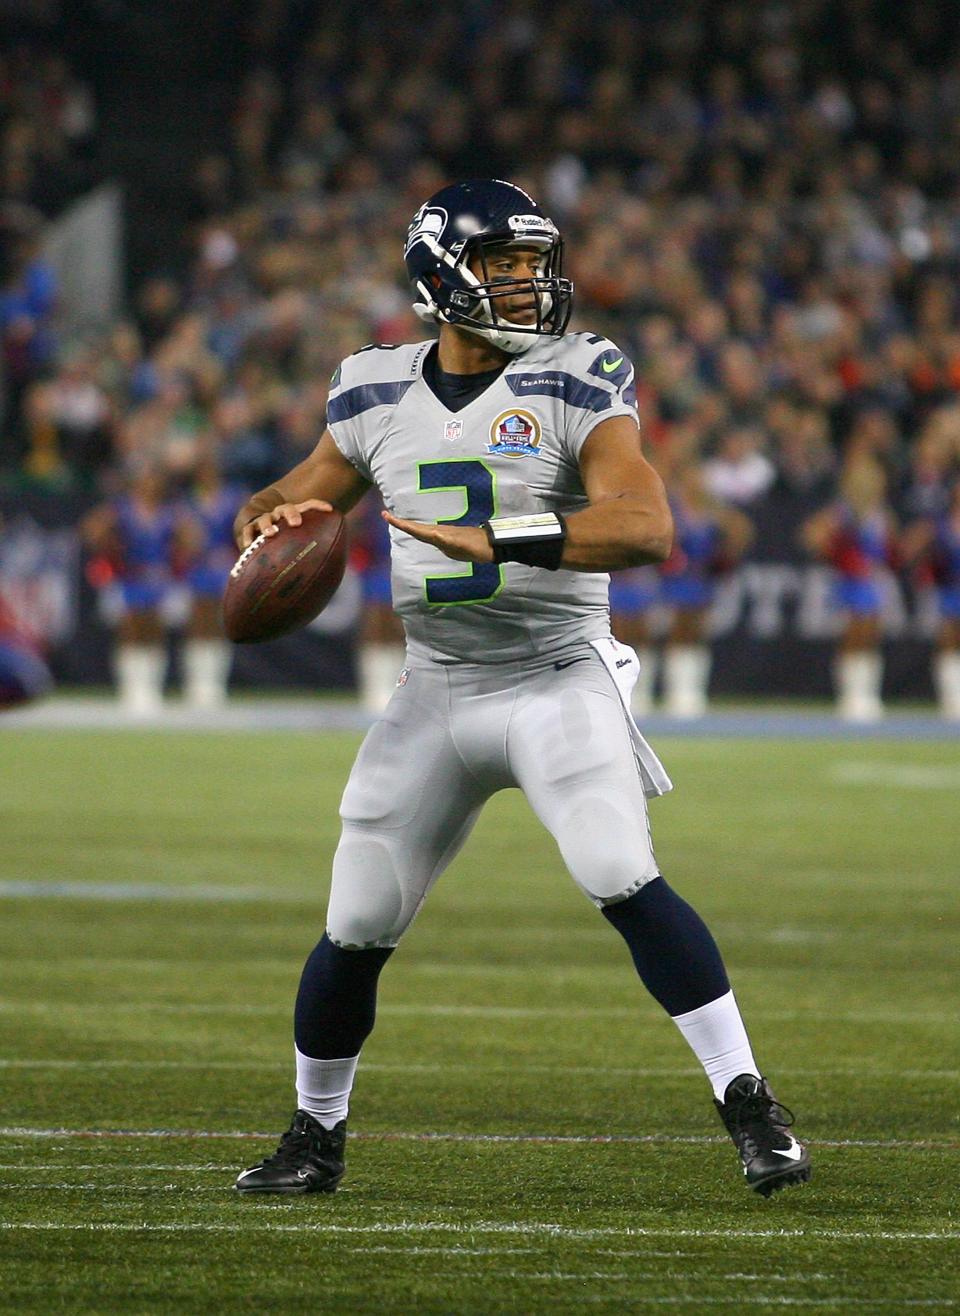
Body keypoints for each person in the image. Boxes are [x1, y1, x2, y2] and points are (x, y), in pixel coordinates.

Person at [232, 180, 811, 1199]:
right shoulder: (371, 387)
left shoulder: (574, 372)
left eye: (532, 261)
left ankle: (751, 1104)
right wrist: (268, 513)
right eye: (503, 262)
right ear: (440, 272)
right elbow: (305, 486)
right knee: (356, 917)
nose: (529, 282)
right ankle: (313, 1136)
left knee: (617, 867)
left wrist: (502, 535)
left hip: (555, 675)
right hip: (436, 688)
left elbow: (645, 523)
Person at [802, 455, 897, 722]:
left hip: (874, 580)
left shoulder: (880, 514)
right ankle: (850, 694)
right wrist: (834, 551)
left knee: (871, 634)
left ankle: (869, 694)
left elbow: (888, 548)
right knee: (853, 635)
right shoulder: (842, 512)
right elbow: (811, 535)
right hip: (850, 582)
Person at [659, 462, 754, 718]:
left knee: (697, 633)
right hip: (679, 579)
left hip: (701, 580)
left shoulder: (713, 512)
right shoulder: (675, 509)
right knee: (679, 631)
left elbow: (741, 531)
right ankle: (676, 691)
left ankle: (694, 691)